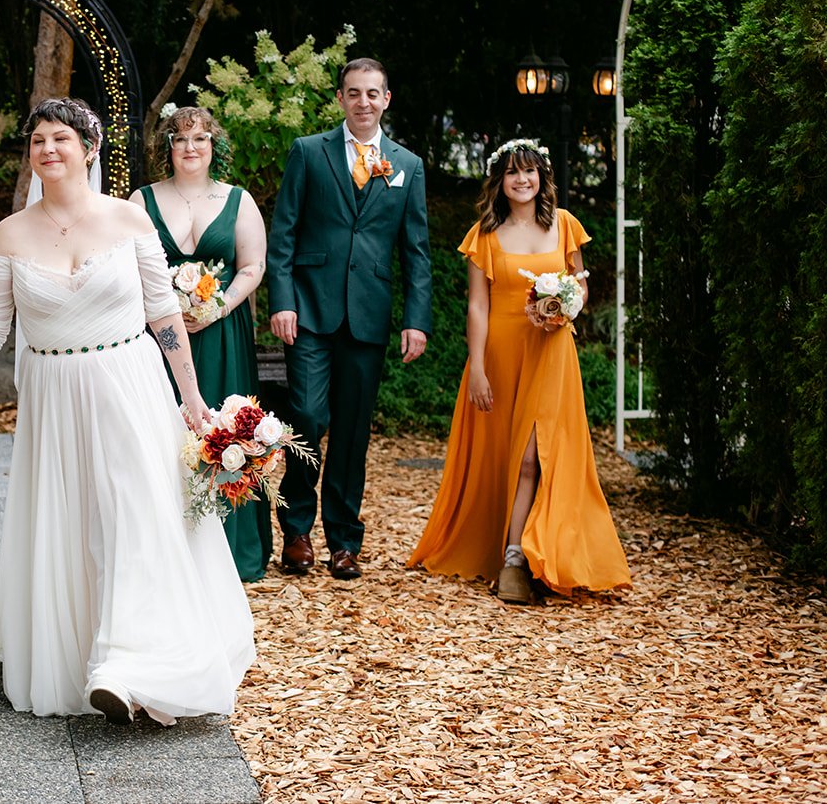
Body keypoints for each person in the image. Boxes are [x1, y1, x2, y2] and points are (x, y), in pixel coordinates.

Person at [0, 97, 254, 726]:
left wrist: (191, 399)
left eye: (61, 139)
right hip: (53, 396)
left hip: (129, 386)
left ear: (89, 148)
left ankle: (127, 667)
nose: (48, 149)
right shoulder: (9, 234)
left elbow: (164, 314)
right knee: (74, 521)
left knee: (133, 515)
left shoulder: (129, 220)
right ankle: (82, 651)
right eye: (38, 140)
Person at [408, 138, 630, 603]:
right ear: (500, 180)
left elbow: (581, 286)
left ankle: (522, 558)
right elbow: (477, 306)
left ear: (542, 177)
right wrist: (478, 367)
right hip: (503, 354)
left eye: (529, 171)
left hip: (551, 352)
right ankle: (514, 552)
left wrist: (565, 305)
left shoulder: (564, 225)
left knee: (536, 455)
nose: (522, 179)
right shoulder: (485, 236)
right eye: (512, 172)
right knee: (506, 454)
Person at [267, 58, 432, 581]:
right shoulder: (308, 152)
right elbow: (284, 234)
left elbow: (416, 251)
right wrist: (282, 300)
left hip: (368, 314)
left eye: (372, 93)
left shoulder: (408, 165)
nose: (363, 102)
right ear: (340, 98)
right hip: (309, 311)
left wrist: (416, 319)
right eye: (354, 93)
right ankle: (296, 531)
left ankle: (343, 541)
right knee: (307, 418)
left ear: (387, 100)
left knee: (353, 431)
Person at [129, 106, 271, 582]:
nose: (190, 147)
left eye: (200, 139)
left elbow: (253, 266)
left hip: (223, 335)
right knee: (164, 430)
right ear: (166, 147)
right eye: (180, 139)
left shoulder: (238, 200)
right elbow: (126, 268)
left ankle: (231, 548)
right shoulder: (141, 201)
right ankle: (166, 549)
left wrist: (217, 307)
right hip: (158, 337)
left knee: (226, 429)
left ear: (214, 146)